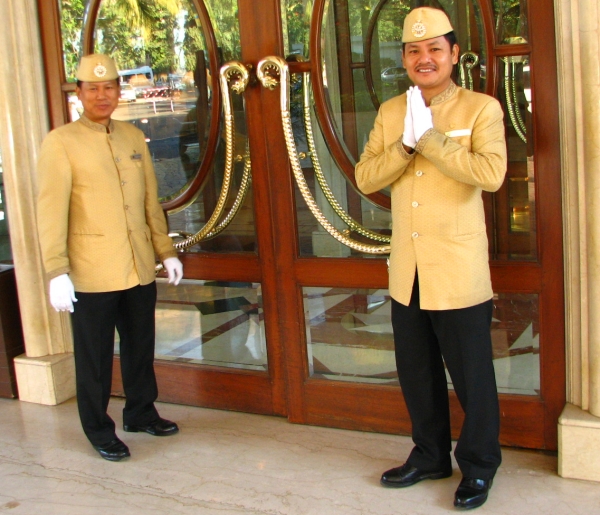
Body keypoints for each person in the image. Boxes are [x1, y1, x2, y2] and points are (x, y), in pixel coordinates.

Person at [355, 7, 507, 510]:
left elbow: (490, 174)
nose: (425, 58)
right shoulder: (389, 113)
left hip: (458, 268)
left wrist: (432, 140)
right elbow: (365, 177)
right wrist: (403, 144)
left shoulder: (481, 109)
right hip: (408, 270)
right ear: (404, 57)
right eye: (415, 50)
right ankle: (430, 455)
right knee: (416, 372)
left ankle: (480, 466)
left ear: (453, 55)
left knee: (472, 375)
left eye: (435, 48)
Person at [36, 54, 184, 462]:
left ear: (119, 90)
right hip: (90, 269)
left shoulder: (133, 137)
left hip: (137, 264)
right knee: (95, 357)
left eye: (110, 87)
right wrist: (56, 270)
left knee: (140, 346)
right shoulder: (60, 142)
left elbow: (149, 201)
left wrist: (164, 250)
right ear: (79, 93)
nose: (103, 95)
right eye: (93, 88)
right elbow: (50, 212)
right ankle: (98, 429)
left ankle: (140, 412)